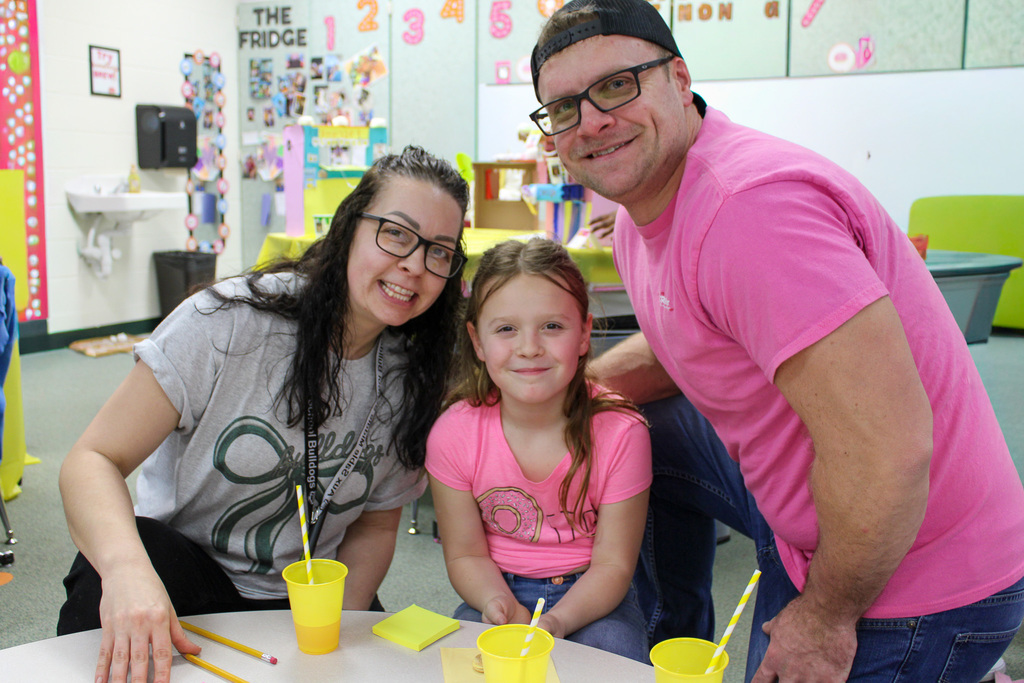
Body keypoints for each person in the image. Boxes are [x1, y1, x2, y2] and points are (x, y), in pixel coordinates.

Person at [530, 1, 1024, 681]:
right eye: (563, 109)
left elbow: (891, 451)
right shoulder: (644, 216)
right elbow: (682, 345)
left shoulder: (749, 212)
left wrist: (823, 618)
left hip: (912, 576)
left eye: (617, 85)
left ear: (678, 78)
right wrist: (555, 401)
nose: (590, 121)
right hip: (804, 509)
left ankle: (959, 662)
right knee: (631, 424)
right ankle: (671, 640)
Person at [57, 145, 469, 683]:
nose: (414, 265)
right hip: (184, 575)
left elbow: (375, 520)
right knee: (116, 572)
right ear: (347, 227)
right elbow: (91, 459)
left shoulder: (411, 375)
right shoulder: (228, 323)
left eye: (439, 251)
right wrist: (128, 573)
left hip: (307, 599)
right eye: (396, 233)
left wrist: (336, 629)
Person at [426, 238, 652, 662]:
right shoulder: (452, 433)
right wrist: (497, 602)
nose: (529, 347)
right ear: (477, 341)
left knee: (614, 655)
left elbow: (613, 566)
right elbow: (465, 553)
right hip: (494, 589)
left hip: (591, 596)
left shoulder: (624, 433)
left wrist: (558, 621)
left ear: (584, 333)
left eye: (552, 326)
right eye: (506, 328)